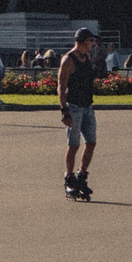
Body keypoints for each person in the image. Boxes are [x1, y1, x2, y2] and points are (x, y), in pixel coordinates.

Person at [58, 30, 100, 201]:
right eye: (91, 41)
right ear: (83, 42)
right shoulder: (68, 60)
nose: (92, 44)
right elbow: (61, 86)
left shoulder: (87, 57)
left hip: (88, 106)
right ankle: (69, 177)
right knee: (73, 145)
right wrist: (64, 111)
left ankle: (82, 174)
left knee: (91, 142)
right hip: (74, 107)